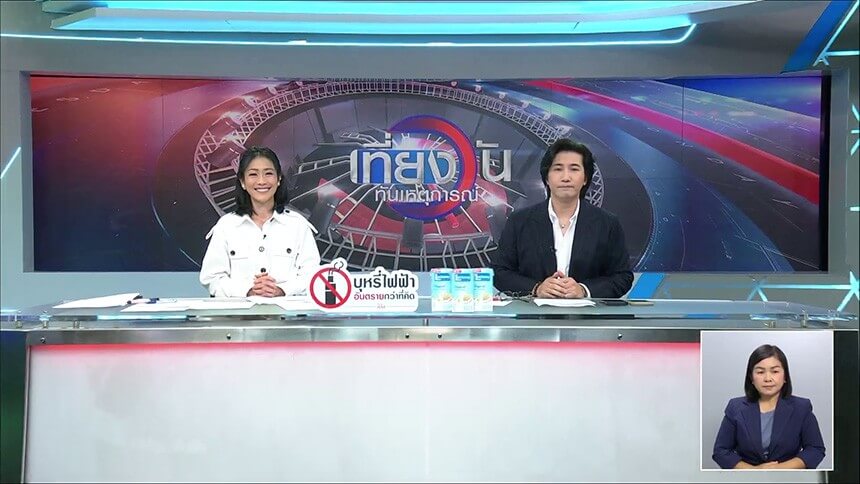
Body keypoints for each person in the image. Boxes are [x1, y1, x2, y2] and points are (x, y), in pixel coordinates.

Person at [490, 138, 632, 298]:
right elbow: (499, 272)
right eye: (558, 169)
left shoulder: (607, 224)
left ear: (585, 178)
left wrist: (583, 290)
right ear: (547, 178)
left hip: (588, 312)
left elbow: (622, 277)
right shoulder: (519, 221)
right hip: (534, 312)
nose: (566, 177)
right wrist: (536, 288)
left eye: (574, 169)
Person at [200, 146, 321, 297]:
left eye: (268, 173)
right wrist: (248, 291)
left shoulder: (298, 225)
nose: (262, 181)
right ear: (242, 182)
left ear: (278, 179)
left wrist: (282, 290)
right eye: (253, 174)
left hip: (287, 311)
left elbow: (312, 275)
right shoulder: (226, 226)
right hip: (239, 312)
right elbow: (211, 278)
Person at [712, 344, 826, 469]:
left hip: (789, 476)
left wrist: (778, 469)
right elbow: (721, 452)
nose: (768, 378)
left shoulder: (801, 407)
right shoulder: (735, 407)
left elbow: (815, 450)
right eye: (760, 372)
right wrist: (754, 471)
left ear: (785, 376)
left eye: (775, 371)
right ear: (751, 377)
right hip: (747, 477)